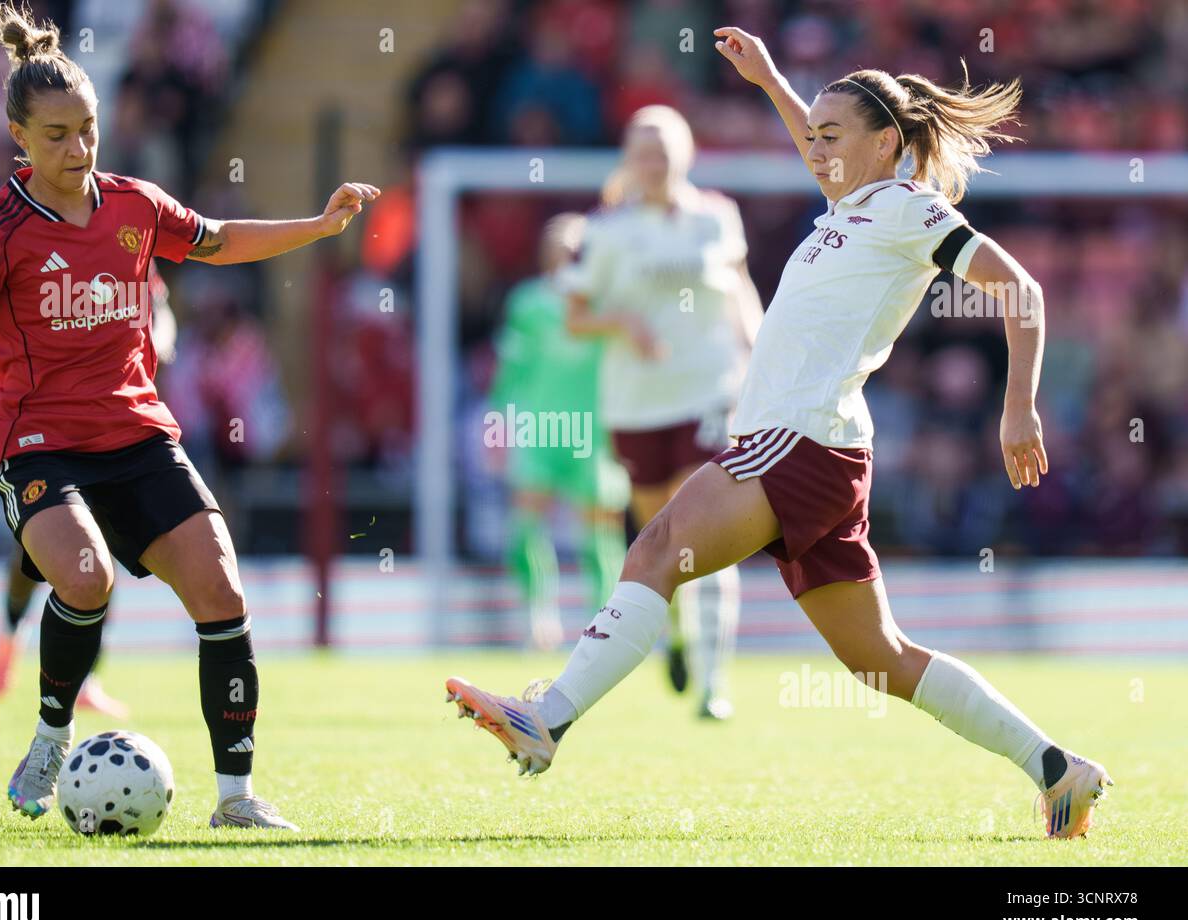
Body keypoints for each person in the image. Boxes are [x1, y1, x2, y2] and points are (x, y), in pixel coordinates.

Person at [444, 26, 1112, 840]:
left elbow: (1023, 290)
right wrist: (768, 80)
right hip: (825, 449)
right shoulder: (852, 203)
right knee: (884, 660)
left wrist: (1019, 407)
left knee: (654, 550)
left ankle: (547, 718)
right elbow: (816, 143)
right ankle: (1058, 770)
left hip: (797, 440)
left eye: (834, 135)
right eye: (815, 135)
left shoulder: (908, 208)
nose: (816, 146)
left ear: (886, 143)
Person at [0, 3, 379, 831]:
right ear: (16, 133)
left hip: (139, 435)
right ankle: (50, 740)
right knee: (85, 577)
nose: (77, 150)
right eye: (55, 136)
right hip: (36, 442)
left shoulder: (134, 206)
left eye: (87, 130)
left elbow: (218, 238)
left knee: (223, 590)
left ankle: (236, 799)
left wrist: (320, 225)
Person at [558, 105, 762, 718]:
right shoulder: (607, 230)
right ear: (628, 160)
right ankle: (675, 634)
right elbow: (575, 317)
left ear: (685, 155)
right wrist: (621, 321)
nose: (653, 164)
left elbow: (739, 288)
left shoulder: (715, 217)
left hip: (709, 393)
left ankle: (713, 684)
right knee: (660, 538)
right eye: (642, 153)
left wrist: (758, 354)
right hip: (638, 405)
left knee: (706, 526)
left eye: (663, 152)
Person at [0, 260, 176, 718]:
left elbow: (160, 306)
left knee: (100, 554)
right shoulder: (29, 242)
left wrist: (160, 342)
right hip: (42, 425)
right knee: (34, 552)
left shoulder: (124, 243)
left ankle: (87, 676)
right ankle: (9, 637)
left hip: (111, 423)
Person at [488, 213, 630, 650]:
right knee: (527, 521)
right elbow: (510, 372)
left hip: (593, 431)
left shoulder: (607, 302)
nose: (564, 250)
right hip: (539, 427)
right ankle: (538, 616)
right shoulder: (528, 303)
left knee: (600, 530)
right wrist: (498, 426)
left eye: (572, 245)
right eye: (555, 243)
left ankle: (604, 623)